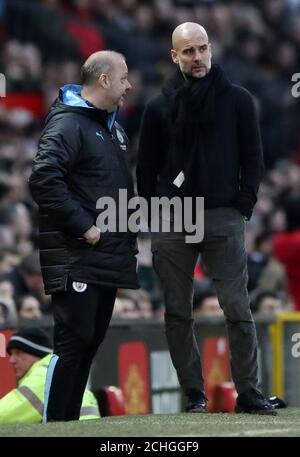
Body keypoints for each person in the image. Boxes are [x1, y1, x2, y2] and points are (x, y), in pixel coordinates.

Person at [137, 23, 276, 415]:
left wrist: (241, 206)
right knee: (178, 310)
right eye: (188, 52)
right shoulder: (158, 107)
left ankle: (249, 392)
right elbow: (146, 170)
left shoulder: (237, 100)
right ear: (174, 57)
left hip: (223, 216)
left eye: (202, 49)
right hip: (172, 220)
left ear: (211, 49)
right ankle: (194, 395)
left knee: (237, 307)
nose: (197, 57)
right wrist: (155, 215)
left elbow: (253, 158)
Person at [29, 50, 138, 422]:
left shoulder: (112, 128)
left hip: (105, 258)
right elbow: (44, 179)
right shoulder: (68, 124)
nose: (129, 86)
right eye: (124, 78)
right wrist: (83, 226)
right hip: (77, 255)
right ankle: (54, 426)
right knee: (72, 345)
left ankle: (68, 426)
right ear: (104, 79)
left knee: (88, 343)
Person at [0, 328, 100, 424]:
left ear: (37, 353)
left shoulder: (43, 377)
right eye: (11, 354)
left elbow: (4, 413)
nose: (12, 360)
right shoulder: (57, 371)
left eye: (18, 353)